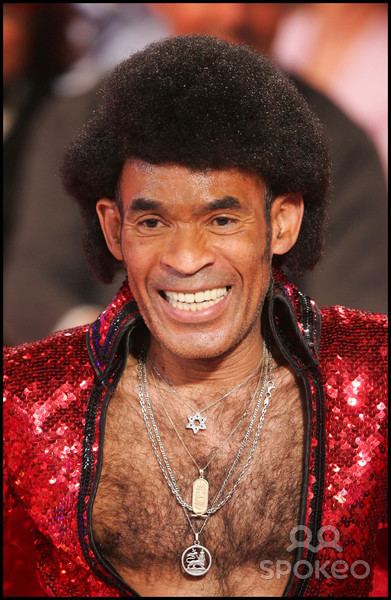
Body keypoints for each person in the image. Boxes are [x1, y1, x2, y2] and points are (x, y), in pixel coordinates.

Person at [4, 35, 387, 597]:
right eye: (153, 224)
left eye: (222, 221)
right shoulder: (24, 404)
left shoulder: (374, 379)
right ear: (114, 229)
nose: (186, 260)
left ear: (282, 223)